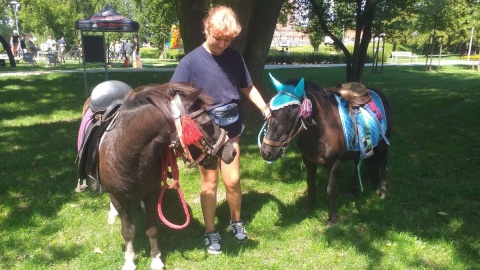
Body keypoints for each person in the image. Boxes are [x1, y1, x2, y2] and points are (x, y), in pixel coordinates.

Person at [170, 5, 271, 255]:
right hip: (205, 134)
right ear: (207, 29)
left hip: (231, 129)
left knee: (233, 180)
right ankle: (210, 230)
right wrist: (179, 129)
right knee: (210, 183)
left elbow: (248, 87)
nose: (223, 44)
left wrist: (264, 109)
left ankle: (236, 221)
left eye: (228, 39)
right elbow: (172, 96)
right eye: (218, 38)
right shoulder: (191, 62)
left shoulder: (235, 58)